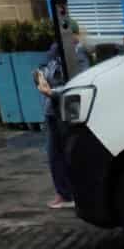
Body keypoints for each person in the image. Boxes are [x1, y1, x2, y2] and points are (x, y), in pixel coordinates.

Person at [37, 32, 90, 209]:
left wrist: (52, 92)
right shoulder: (55, 51)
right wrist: (40, 77)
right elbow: (44, 69)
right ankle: (63, 193)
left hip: (68, 109)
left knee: (68, 153)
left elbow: (79, 83)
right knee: (54, 154)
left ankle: (72, 193)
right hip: (52, 109)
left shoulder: (78, 54)